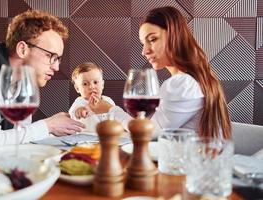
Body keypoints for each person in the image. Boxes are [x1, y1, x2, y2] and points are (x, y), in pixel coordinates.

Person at [88, 6, 231, 139]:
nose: (144, 51)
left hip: (186, 164)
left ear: (175, 36)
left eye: (152, 39)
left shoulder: (182, 83)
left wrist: (111, 110)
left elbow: (149, 133)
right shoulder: (197, 78)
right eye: (143, 43)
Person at [0, 10, 85, 152]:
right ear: (22, 49)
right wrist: (48, 126)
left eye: (58, 59)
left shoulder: (23, 79)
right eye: (50, 56)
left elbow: (20, 136)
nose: (56, 67)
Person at [69, 62, 115, 133]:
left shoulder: (108, 100)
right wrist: (79, 111)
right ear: (77, 88)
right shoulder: (79, 102)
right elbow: (73, 113)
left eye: (95, 82)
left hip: (106, 137)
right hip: (85, 139)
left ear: (102, 84)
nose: (91, 87)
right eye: (85, 84)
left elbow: (116, 116)